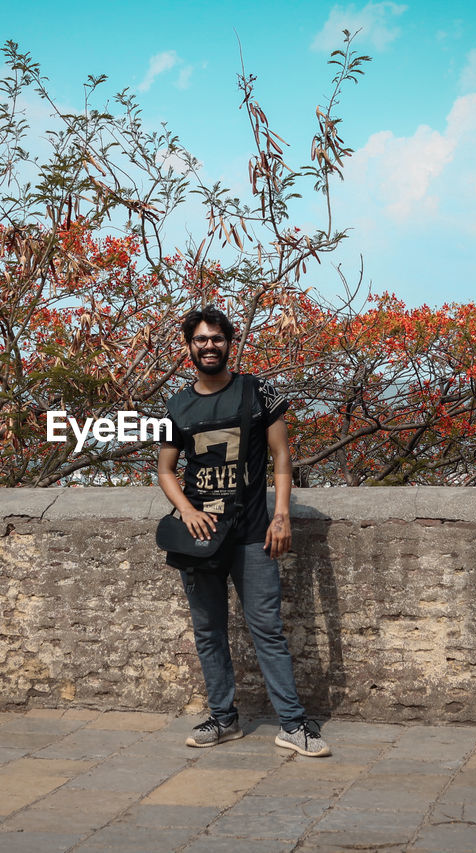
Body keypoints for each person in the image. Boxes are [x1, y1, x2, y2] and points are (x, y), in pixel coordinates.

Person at [156, 306, 331, 757]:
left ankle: (292, 724)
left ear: (228, 343)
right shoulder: (176, 406)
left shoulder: (257, 391)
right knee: (208, 630)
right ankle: (223, 718)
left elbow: (281, 457)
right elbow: (166, 471)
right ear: (189, 347)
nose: (209, 346)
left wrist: (282, 514)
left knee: (266, 627)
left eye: (216, 338)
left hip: (253, 531)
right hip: (200, 535)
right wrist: (187, 510)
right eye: (200, 339)